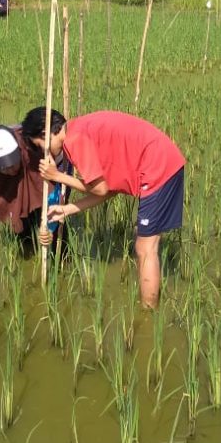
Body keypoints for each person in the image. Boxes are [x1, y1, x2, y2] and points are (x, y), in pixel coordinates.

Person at [21, 108, 186, 309]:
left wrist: (57, 176)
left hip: (158, 165)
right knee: (145, 242)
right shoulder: (79, 129)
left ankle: (148, 314)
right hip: (161, 158)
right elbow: (108, 190)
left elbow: (100, 189)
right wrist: (67, 209)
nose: (44, 153)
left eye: (40, 146)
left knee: (145, 248)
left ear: (46, 134)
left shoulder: (75, 140)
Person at [0, 125, 70, 257]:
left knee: (54, 222)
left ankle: (62, 257)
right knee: (21, 220)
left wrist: (50, 228)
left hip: (53, 164)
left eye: (12, 164)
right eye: (3, 168)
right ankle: (27, 246)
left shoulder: (34, 152)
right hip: (25, 169)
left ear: (19, 154)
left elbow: (52, 194)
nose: (10, 171)